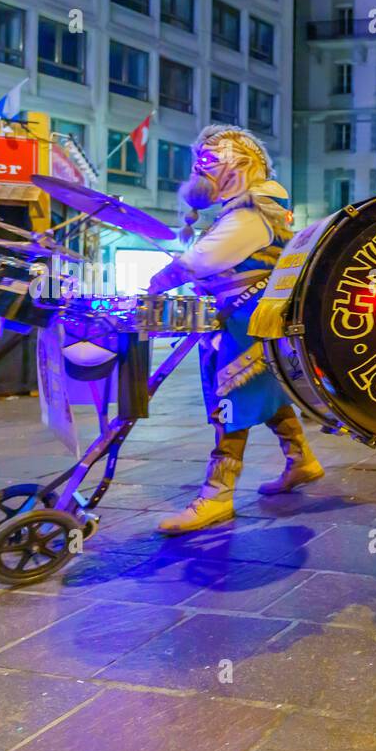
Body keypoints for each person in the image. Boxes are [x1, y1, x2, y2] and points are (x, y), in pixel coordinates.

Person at [150, 125, 323, 534]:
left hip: (247, 324)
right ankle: (302, 461)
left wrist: (160, 281)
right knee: (265, 394)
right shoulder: (247, 211)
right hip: (247, 320)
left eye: (210, 163)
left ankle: (216, 495)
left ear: (236, 166)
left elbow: (201, 261)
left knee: (230, 404)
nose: (202, 172)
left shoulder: (250, 214)